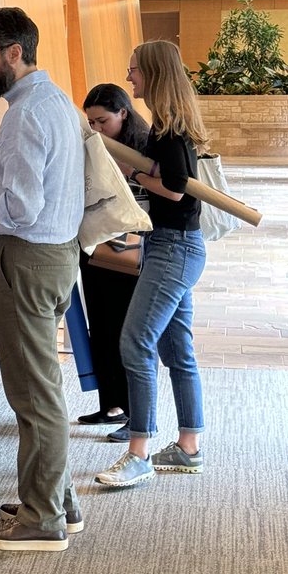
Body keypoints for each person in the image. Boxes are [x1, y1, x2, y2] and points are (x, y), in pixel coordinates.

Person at [0, 7, 84, 552]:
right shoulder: (54, 102)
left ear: (13, 53)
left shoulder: (26, 114)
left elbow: (23, 208)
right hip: (55, 256)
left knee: (33, 394)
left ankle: (41, 519)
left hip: (28, 258)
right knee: (42, 386)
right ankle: (57, 500)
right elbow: (41, 189)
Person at [95, 40, 208, 489]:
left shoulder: (169, 129)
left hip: (173, 249)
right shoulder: (172, 124)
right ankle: (188, 447)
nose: (130, 79)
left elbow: (176, 189)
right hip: (176, 246)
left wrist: (136, 175)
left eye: (135, 71)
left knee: (135, 342)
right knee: (177, 349)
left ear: (154, 74)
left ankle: (138, 452)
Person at [77, 83, 149, 443]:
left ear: (124, 112)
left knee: (125, 331)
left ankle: (135, 413)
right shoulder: (93, 144)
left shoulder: (142, 146)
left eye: (103, 120)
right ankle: (111, 405)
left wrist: (126, 172)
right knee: (100, 327)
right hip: (94, 245)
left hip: (128, 247)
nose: (97, 128)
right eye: (91, 122)